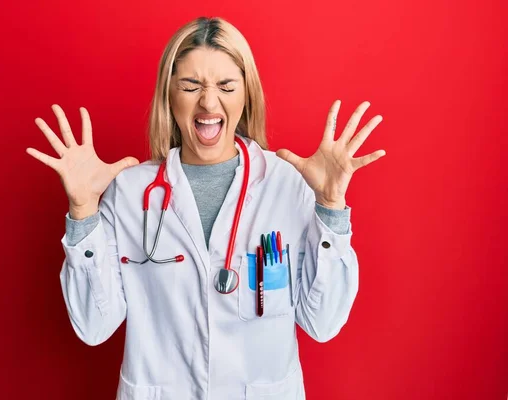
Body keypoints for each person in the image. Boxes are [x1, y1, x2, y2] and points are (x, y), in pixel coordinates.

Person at [26, 16, 384, 400]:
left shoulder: (289, 184)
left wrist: (330, 206)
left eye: (226, 86)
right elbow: (93, 326)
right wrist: (82, 211)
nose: (209, 102)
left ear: (246, 95)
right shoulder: (129, 193)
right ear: (169, 95)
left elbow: (323, 323)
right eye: (191, 86)